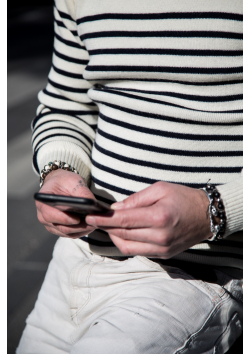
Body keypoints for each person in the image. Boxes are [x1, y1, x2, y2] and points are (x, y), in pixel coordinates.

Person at [17, 0, 243, 353]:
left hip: (193, 279)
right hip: (74, 261)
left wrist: (214, 210)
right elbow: (66, 105)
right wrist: (58, 169)